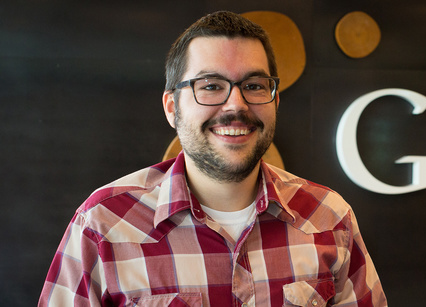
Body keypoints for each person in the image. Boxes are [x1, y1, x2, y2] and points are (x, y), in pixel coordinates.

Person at [39, 11, 387, 307]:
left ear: (275, 102)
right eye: (210, 86)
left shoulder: (329, 218)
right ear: (172, 108)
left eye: (254, 86)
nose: (236, 105)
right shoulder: (102, 227)